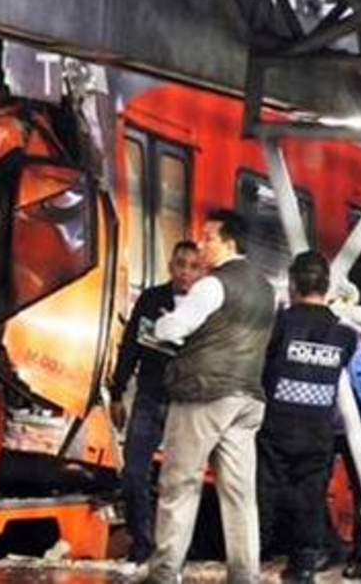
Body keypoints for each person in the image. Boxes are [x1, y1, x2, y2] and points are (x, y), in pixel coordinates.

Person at [141, 210, 276, 584]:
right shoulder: (266, 289)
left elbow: (174, 328)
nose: (201, 246)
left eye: (209, 238)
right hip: (248, 397)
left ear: (230, 243)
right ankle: (244, 574)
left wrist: (166, 323)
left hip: (204, 393)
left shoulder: (213, 285)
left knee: (180, 483)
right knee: (239, 492)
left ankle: (165, 571)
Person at [256, 251, 357, 584]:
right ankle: (303, 568)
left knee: (264, 495)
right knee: (311, 499)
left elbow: (262, 367)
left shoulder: (280, 324)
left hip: (276, 427)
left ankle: (255, 558)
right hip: (318, 432)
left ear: (294, 285)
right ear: (326, 287)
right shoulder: (345, 335)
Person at [110, 241, 202, 565]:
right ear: (171, 266)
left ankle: (173, 549)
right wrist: (117, 390)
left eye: (193, 266)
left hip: (185, 402)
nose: (186, 272)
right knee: (134, 473)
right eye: (181, 264)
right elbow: (130, 345)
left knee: (179, 479)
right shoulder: (151, 300)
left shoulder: (204, 307)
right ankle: (143, 543)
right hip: (149, 395)